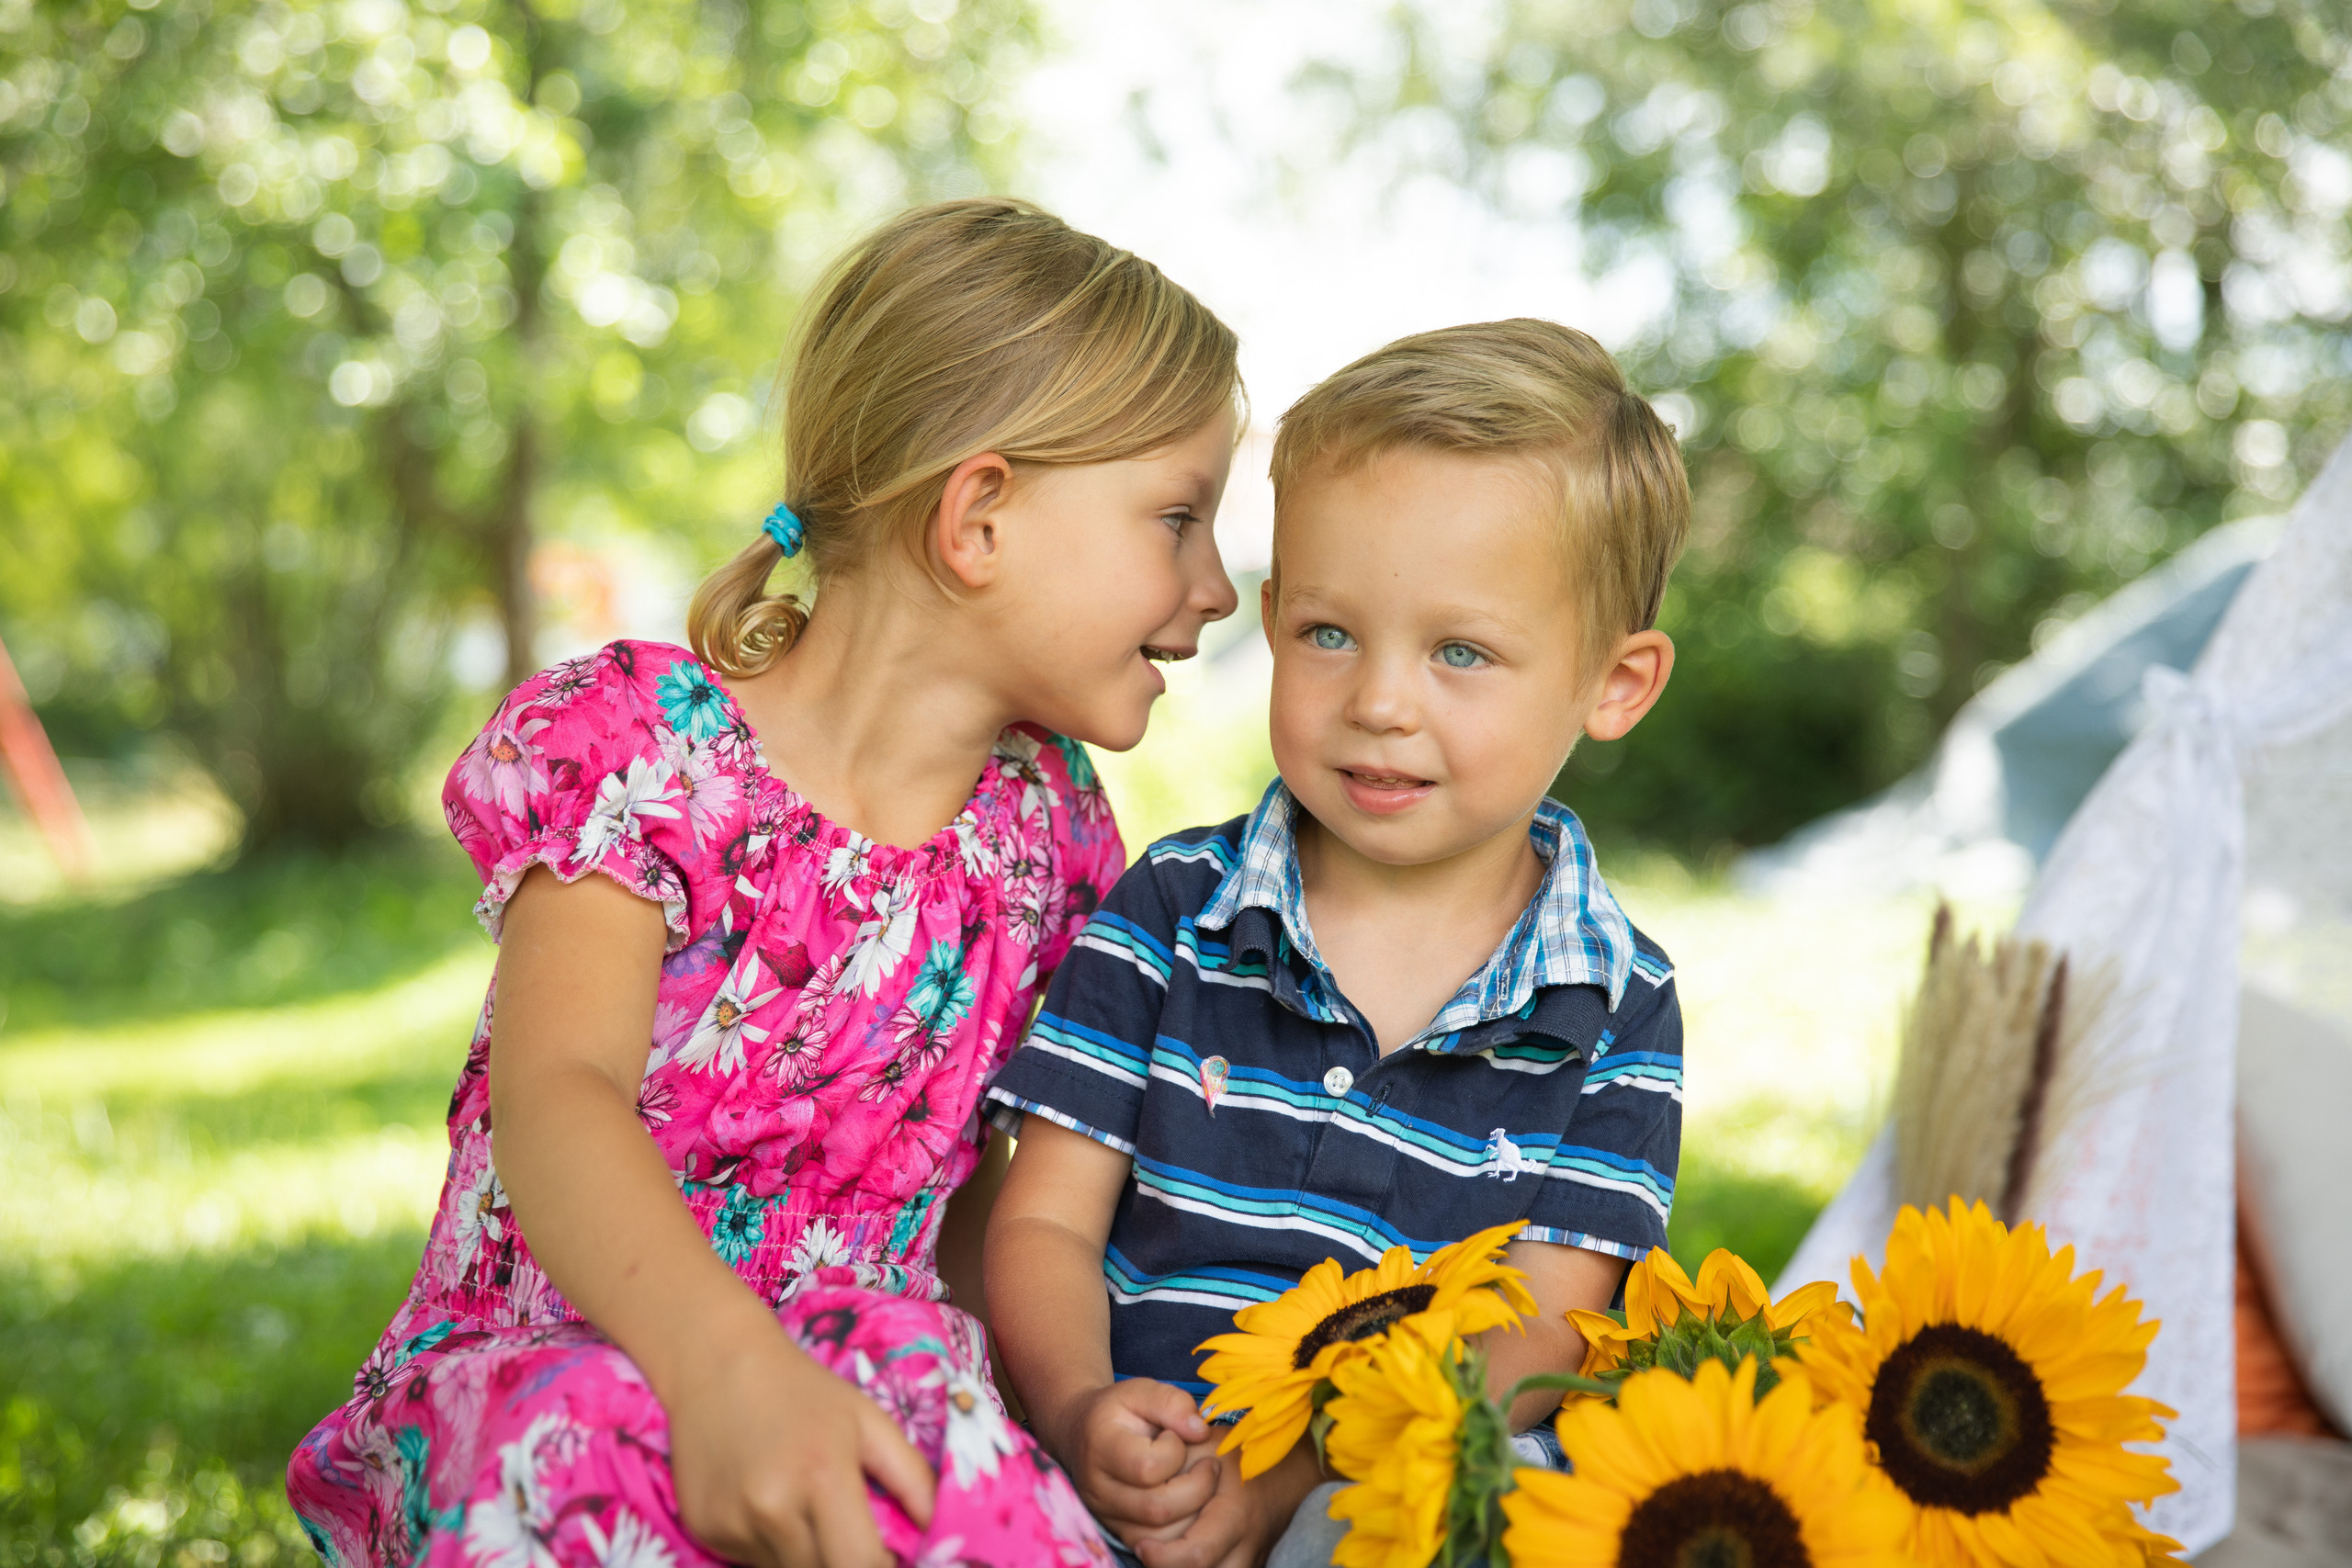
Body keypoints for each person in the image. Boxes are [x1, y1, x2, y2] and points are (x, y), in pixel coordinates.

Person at [286, 197, 1245, 1568]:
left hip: (864, 1382)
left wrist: (1063, 1409)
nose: (1216, 587)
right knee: (573, 1436)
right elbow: (555, 1100)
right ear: (978, 516)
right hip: (561, 1371)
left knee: (941, 1427)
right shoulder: (649, 751)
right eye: (1179, 517)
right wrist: (730, 1370)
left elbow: (978, 1195)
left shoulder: (1049, 836)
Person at [983, 319, 1690, 1568]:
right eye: (1327, 633)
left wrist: (1297, 1477)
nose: (1378, 700)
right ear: (1271, 618)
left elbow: (1542, 1335)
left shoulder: (1618, 1006)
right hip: (1115, 1464)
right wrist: (1080, 1407)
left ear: (1614, 683)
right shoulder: (1175, 912)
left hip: (1381, 1491)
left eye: (1460, 651)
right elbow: (1043, 1225)